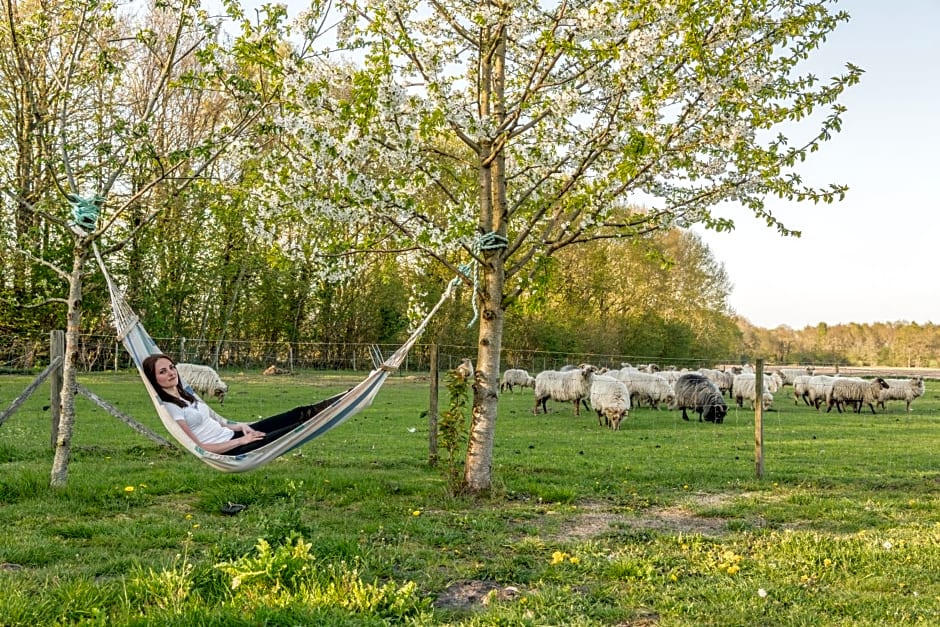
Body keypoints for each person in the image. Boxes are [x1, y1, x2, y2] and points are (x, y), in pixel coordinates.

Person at [142, 353, 320, 455]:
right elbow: (200, 447)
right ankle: (325, 417)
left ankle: (340, 403)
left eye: (172, 367)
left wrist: (241, 427)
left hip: (234, 436)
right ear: (154, 379)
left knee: (296, 414)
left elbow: (217, 423)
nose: (171, 373)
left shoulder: (186, 394)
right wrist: (243, 440)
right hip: (230, 449)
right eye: (163, 372)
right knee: (298, 428)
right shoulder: (171, 408)